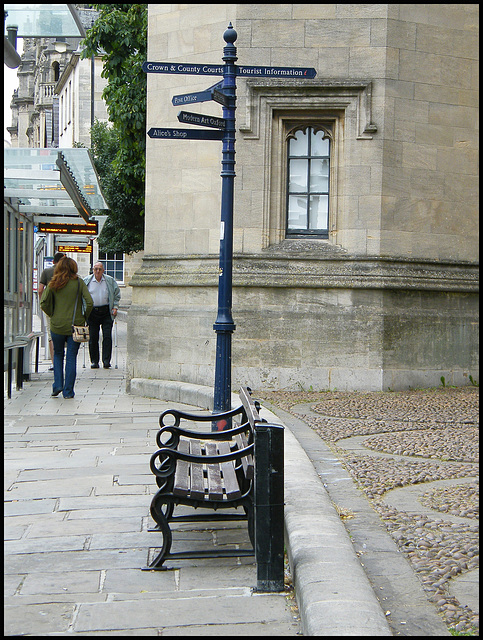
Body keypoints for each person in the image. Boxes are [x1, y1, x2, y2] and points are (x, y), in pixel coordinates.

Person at [40, 256, 93, 398]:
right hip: (75, 326)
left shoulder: (53, 283)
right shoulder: (79, 283)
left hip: (56, 325)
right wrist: (83, 317)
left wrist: (53, 314)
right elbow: (89, 302)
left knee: (58, 355)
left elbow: (43, 302)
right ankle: (68, 391)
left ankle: (57, 385)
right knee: (71, 357)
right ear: (74, 268)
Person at [84, 261, 121, 369]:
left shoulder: (109, 280)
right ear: (93, 270)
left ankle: (106, 361)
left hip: (106, 311)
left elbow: (116, 294)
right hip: (92, 312)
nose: (98, 271)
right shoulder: (87, 281)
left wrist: (115, 306)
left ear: (103, 270)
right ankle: (94, 361)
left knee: (107, 336)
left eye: (100, 269)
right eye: (95, 269)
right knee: (93, 337)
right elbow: (82, 296)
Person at [38, 252, 65, 370]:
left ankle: (55, 363)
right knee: (64, 334)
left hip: (50, 309)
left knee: (51, 335)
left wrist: (43, 304)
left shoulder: (46, 272)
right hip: (64, 308)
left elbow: (40, 290)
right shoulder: (67, 274)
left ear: (53, 261)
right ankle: (62, 360)